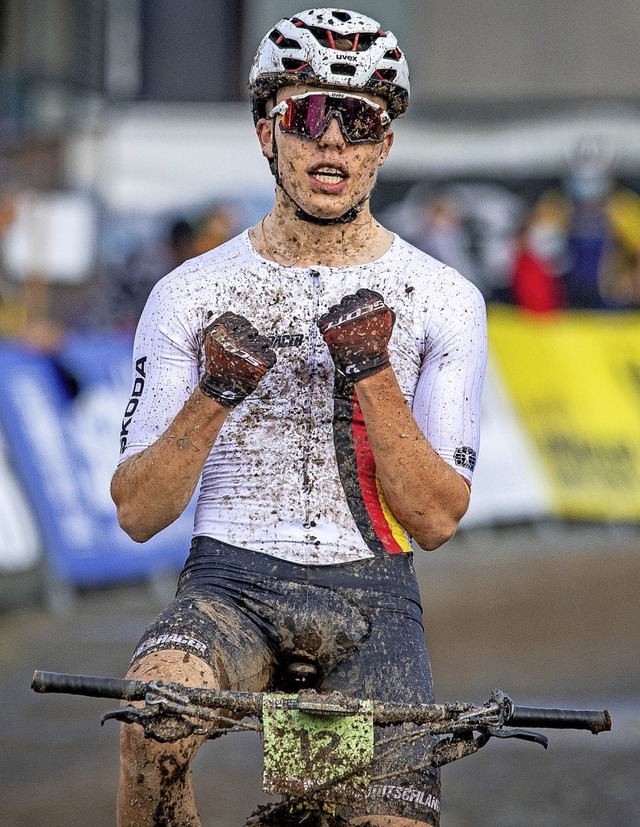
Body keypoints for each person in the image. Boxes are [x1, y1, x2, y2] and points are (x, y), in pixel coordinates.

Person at [112, 9, 487, 827]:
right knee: (152, 724)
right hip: (229, 587)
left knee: (335, 813)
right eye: (310, 114)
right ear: (265, 130)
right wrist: (214, 393)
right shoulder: (189, 294)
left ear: (384, 144)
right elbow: (139, 513)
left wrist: (374, 373)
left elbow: (435, 519)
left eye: (360, 122)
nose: (333, 145)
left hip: (369, 601)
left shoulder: (444, 299)